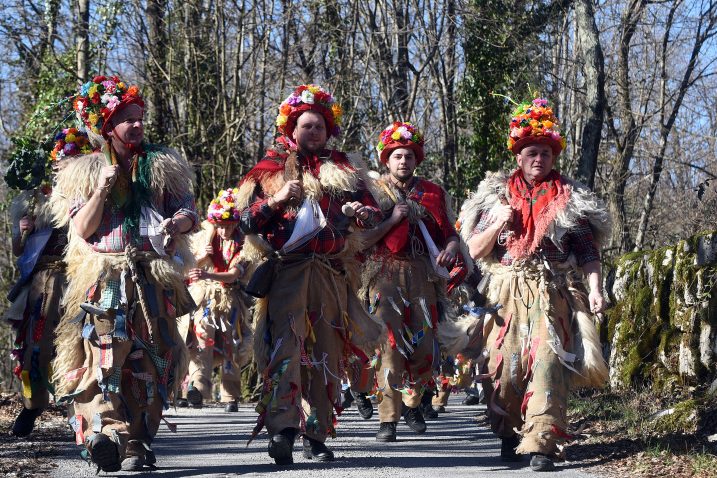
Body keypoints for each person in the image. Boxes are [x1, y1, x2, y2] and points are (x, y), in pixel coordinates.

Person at [50, 75, 198, 472]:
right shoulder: (83, 170)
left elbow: (189, 210)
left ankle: (137, 441)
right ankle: (109, 434)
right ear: (106, 126)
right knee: (104, 356)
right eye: (127, 119)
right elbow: (81, 230)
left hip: (152, 275)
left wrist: (177, 224)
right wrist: (100, 190)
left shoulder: (163, 163)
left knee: (152, 359)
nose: (136, 125)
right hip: (106, 277)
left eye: (139, 118)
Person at [458, 97, 610, 471]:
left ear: (553, 156)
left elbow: (589, 253)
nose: (538, 158)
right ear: (518, 156)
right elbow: (474, 250)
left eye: (545, 152)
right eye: (531, 152)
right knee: (505, 368)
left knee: (548, 360)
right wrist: (497, 224)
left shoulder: (570, 200)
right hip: (505, 292)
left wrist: (594, 288)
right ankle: (509, 434)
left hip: (552, 289)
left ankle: (543, 441)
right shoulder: (495, 196)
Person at [236, 84, 385, 465]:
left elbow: (373, 213)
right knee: (286, 347)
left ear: (328, 129)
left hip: (332, 275)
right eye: (306, 126)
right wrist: (276, 199)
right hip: (287, 273)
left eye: (319, 126)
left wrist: (361, 214)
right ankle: (284, 430)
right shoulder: (268, 170)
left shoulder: (347, 170)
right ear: (291, 129)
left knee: (326, 352)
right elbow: (246, 220)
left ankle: (316, 434)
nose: (313, 132)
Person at [358, 121, 470, 442]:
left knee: (423, 345)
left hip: (423, 275)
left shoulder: (432, 193)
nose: (403, 161)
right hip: (384, 274)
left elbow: (449, 234)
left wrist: (450, 248)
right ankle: (388, 419)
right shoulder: (373, 193)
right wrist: (392, 219)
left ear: (416, 159)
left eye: (408, 155)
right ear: (387, 160)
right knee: (390, 343)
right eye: (396, 156)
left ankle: (413, 404)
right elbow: (363, 240)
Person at [4, 128, 92, 437]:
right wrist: (22, 230)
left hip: (80, 276)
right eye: (63, 162)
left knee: (82, 344)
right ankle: (31, 407)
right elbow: (18, 248)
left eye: (75, 161)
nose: (67, 167)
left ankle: (80, 411)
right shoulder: (35, 198)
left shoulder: (92, 194)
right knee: (34, 346)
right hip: (42, 283)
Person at [178, 187, 253, 411]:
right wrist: (203, 258)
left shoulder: (246, 244)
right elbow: (187, 269)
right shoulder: (204, 238)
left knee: (232, 344)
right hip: (205, 298)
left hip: (230, 299)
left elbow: (234, 275)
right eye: (221, 226)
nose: (224, 230)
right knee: (201, 341)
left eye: (229, 226)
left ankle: (231, 396)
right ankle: (196, 390)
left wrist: (207, 273)